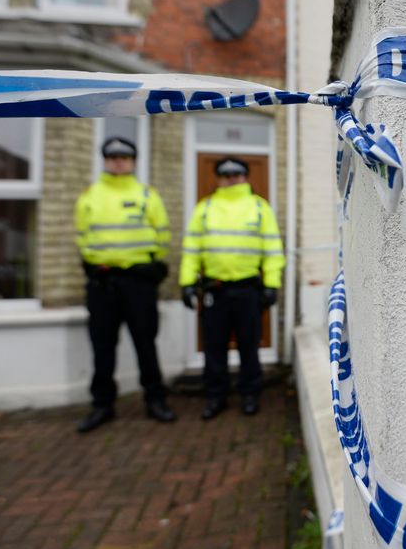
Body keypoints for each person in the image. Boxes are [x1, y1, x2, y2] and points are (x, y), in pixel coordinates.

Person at [74, 137, 177, 433]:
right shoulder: (89, 196)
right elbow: (82, 237)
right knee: (102, 346)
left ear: (134, 161)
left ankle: (156, 400)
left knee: (146, 343)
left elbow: (162, 235)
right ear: (105, 160)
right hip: (103, 284)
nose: (119, 161)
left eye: (125, 157)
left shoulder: (148, 196)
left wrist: (150, 265)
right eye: (113, 157)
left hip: (139, 283)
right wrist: (93, 263)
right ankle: (102, 405)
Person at [180, 157, 285, 418]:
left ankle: (250, 394)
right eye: (225, 176)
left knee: (249, 345)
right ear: (218, 178)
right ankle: (216, 397)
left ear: (245, 177)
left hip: (248, 290)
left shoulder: (260, 208)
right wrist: (187, 282)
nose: (231, 180)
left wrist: (272, 284)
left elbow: (273, 249)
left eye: (236, 175)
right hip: (215, 291)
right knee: (214, 347)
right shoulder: (204, 208)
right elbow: (192, 249)